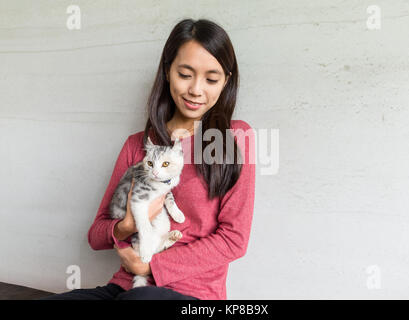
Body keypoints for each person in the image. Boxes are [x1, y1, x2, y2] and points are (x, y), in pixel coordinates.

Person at [41, 18, 255, 300]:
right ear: (167, 72)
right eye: (185, 74)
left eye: (211, 79)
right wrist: (127, 225)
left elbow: (233, 240)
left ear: (226, 81)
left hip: (192, 294)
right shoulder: (137, 144)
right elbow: (97, 235)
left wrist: (152, 265)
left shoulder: (236, 138)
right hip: (124, 286)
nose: (196, 90)